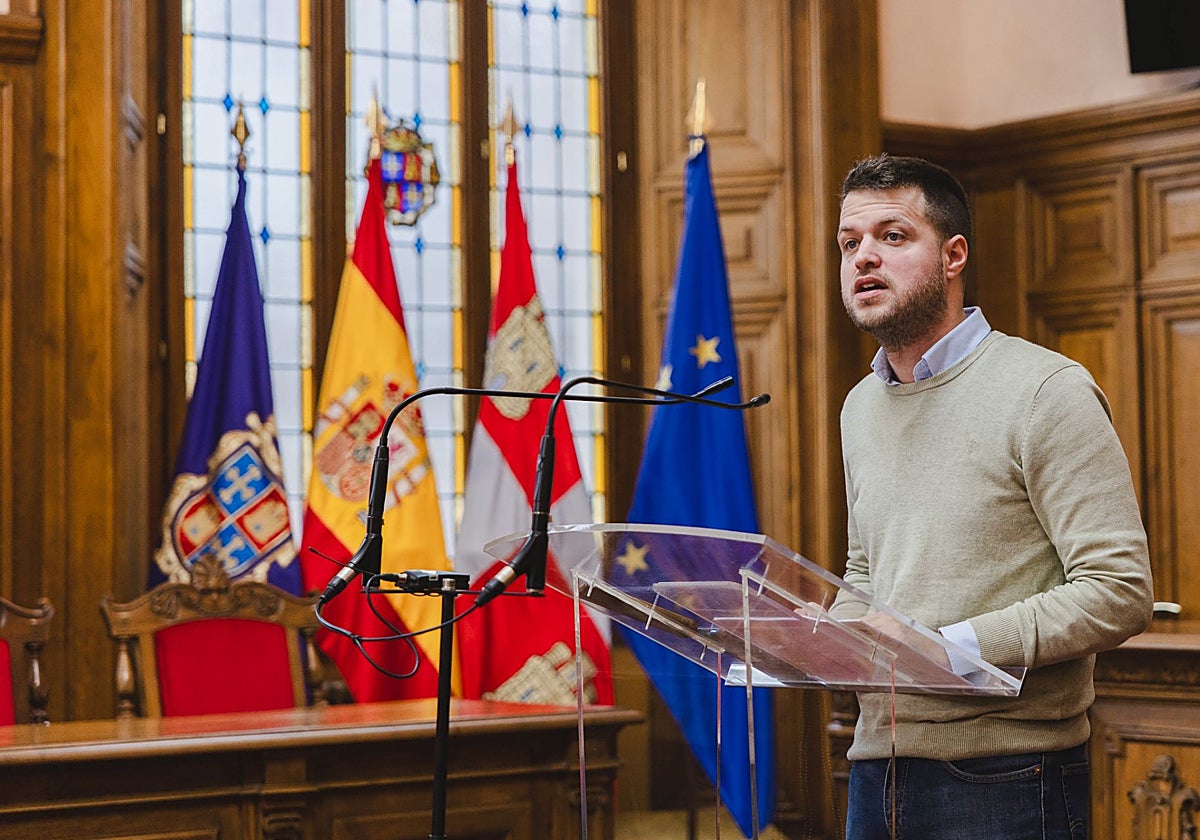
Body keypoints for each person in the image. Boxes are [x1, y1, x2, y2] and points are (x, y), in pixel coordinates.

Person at [834, 153, 1154, 840]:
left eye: (892, 236)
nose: (863, 258)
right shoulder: (859, 406)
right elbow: (867, 573)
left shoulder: (1046, 390)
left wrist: (949, 647)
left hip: (1008, 772)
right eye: (850, 241)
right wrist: (819, 640)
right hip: (875, 762)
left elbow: (1119, 589)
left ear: (954, 255)